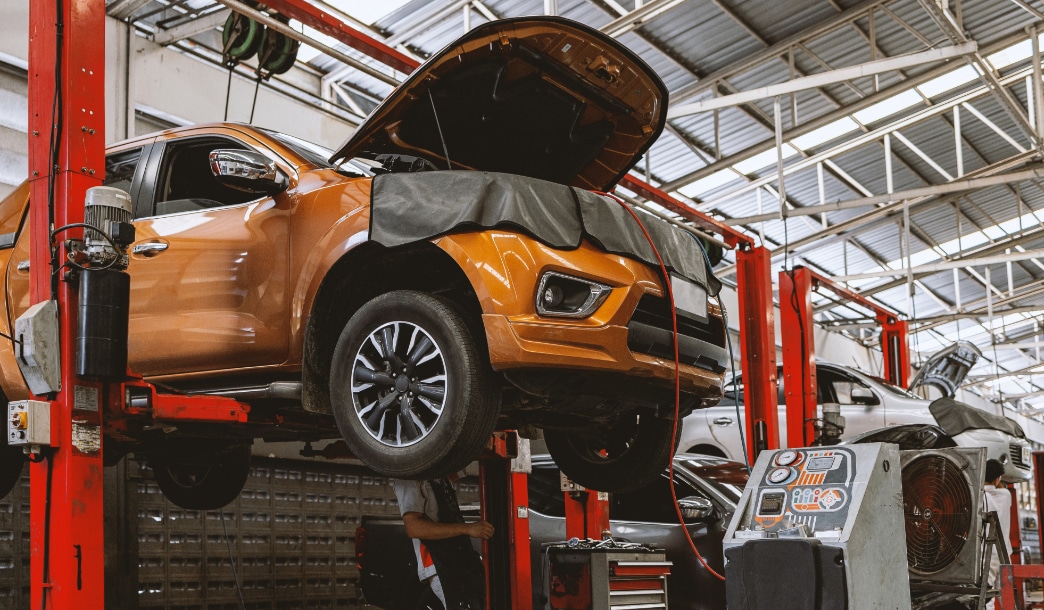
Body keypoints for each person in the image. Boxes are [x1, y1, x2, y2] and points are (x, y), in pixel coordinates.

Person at [393, 476, 494, 610]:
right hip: (438, 562)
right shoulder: (409, 479)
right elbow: (414, 528)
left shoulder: (438, 475)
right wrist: (467, 529)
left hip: (458, 559)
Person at [983, 459, 1012, 610]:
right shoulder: (1006, 495)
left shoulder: (980, 497)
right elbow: (999, 487)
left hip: (986, 556)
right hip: (1004, 555)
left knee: (986, 600)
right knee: (1006, 597)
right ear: (997, 479)